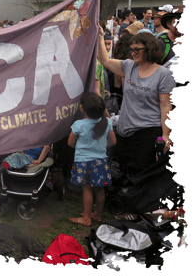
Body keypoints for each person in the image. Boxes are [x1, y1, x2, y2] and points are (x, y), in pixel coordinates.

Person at [98, 26, 176, 176]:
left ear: (149, 49)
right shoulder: (128, 67)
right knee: (124, 173)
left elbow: (166, 106)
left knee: (142, 176)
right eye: (131, 50)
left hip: (148, 134)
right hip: (125, 132)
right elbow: (105, 60)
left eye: (136, 50)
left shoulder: (163, 75)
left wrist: (166, 136)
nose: (133, 53)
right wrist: (100, 36)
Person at [68, 93, 116, 226]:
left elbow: (70, 143)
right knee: (100, 189)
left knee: (87, 188)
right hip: (101, 161)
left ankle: (86, 218)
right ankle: (97, 214)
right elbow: (113, 141)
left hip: (83, 162)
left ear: (82, 108)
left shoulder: (79, 124)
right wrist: (100, 147)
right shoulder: (107, 122)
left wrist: (80, 147)